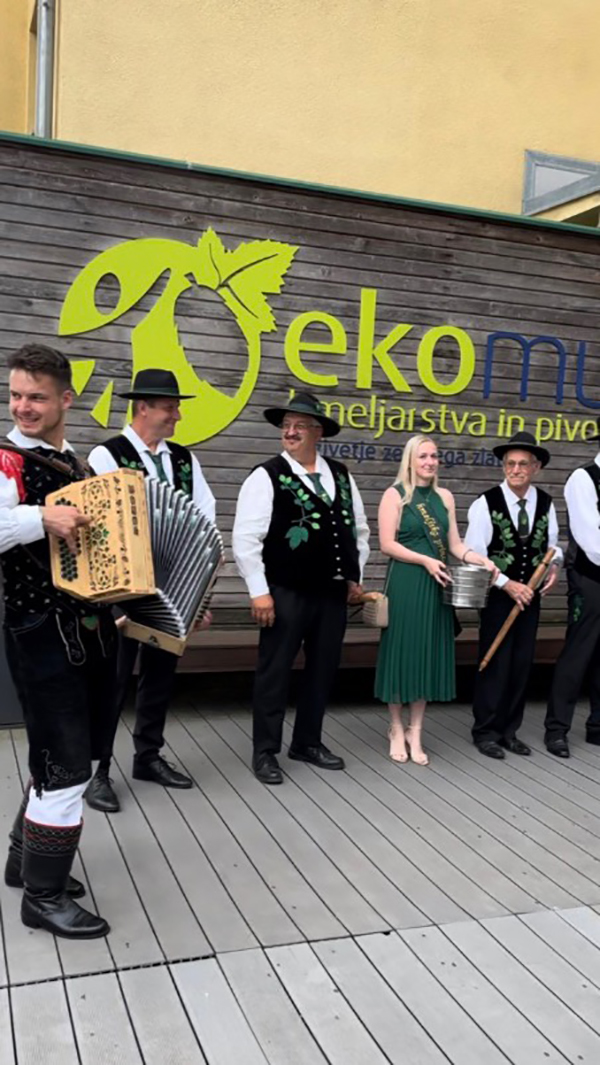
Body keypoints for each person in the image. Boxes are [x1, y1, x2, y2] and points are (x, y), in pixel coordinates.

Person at [1, 343, 115, 939]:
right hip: (37, 628)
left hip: (83, 627)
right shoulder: (7, 461)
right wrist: (38, 518)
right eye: (16, 394)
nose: (23, 406)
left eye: (37, 397)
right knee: (66, 762)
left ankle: (25, 864)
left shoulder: (77, 464)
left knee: (60, 750)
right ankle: (43, 897)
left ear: (66, 399)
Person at [87, 368, 216, 807]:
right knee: (112, 681)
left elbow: (204, 522)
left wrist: (199, 596)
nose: (177, 415)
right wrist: (110, 602)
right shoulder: (106, 456)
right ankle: (97, 769)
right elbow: (97, 528)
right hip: (122, 589)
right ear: (143, 407)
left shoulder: (185, 459)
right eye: (170, 407)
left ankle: (148, 756)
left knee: (160, 675)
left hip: (172, 588)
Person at [232, 391, 369, 785]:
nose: (289, 432)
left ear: (318, 432)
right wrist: (259, 591)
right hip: (285, 592)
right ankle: (265, 751)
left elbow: (358, 529)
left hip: (331, 594)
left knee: (323, 670)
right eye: (286, 426)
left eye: (299, 426)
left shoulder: (340, 474)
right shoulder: (266, 475)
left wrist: (355, 576)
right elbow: (246, 539)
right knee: (274, 672)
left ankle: (307, 742)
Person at [375, 434, 497, 766]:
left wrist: (479, 559)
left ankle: (416, 730)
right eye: (423, 456)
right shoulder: (395, 495)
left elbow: (455, 544)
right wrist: (425, 560)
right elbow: (387, 544)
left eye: (434, 456)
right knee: (402, 652)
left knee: (427, 653)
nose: (430, 462)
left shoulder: (444, 497)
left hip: (436, 586)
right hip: (406, 582)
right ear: (410, 460)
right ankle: (396, 727)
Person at [466, 432, 562, 759]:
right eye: (510, 463)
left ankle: (509, 731)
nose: (516, 469)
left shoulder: (546, 503)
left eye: (523, 464)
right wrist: (507, 584)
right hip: (498, 596)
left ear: (536, 467)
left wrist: (554, 568)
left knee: (521, 664)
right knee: (496, 662)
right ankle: (486, 732)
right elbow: (476, 555)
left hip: (530, 598)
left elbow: (553, 546)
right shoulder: (486, 503)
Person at [544, 421, 600, 757]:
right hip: (590, 578)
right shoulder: (583, 478)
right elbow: (590, 537)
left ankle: (597, 727)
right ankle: (557, 729)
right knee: (578, 654)